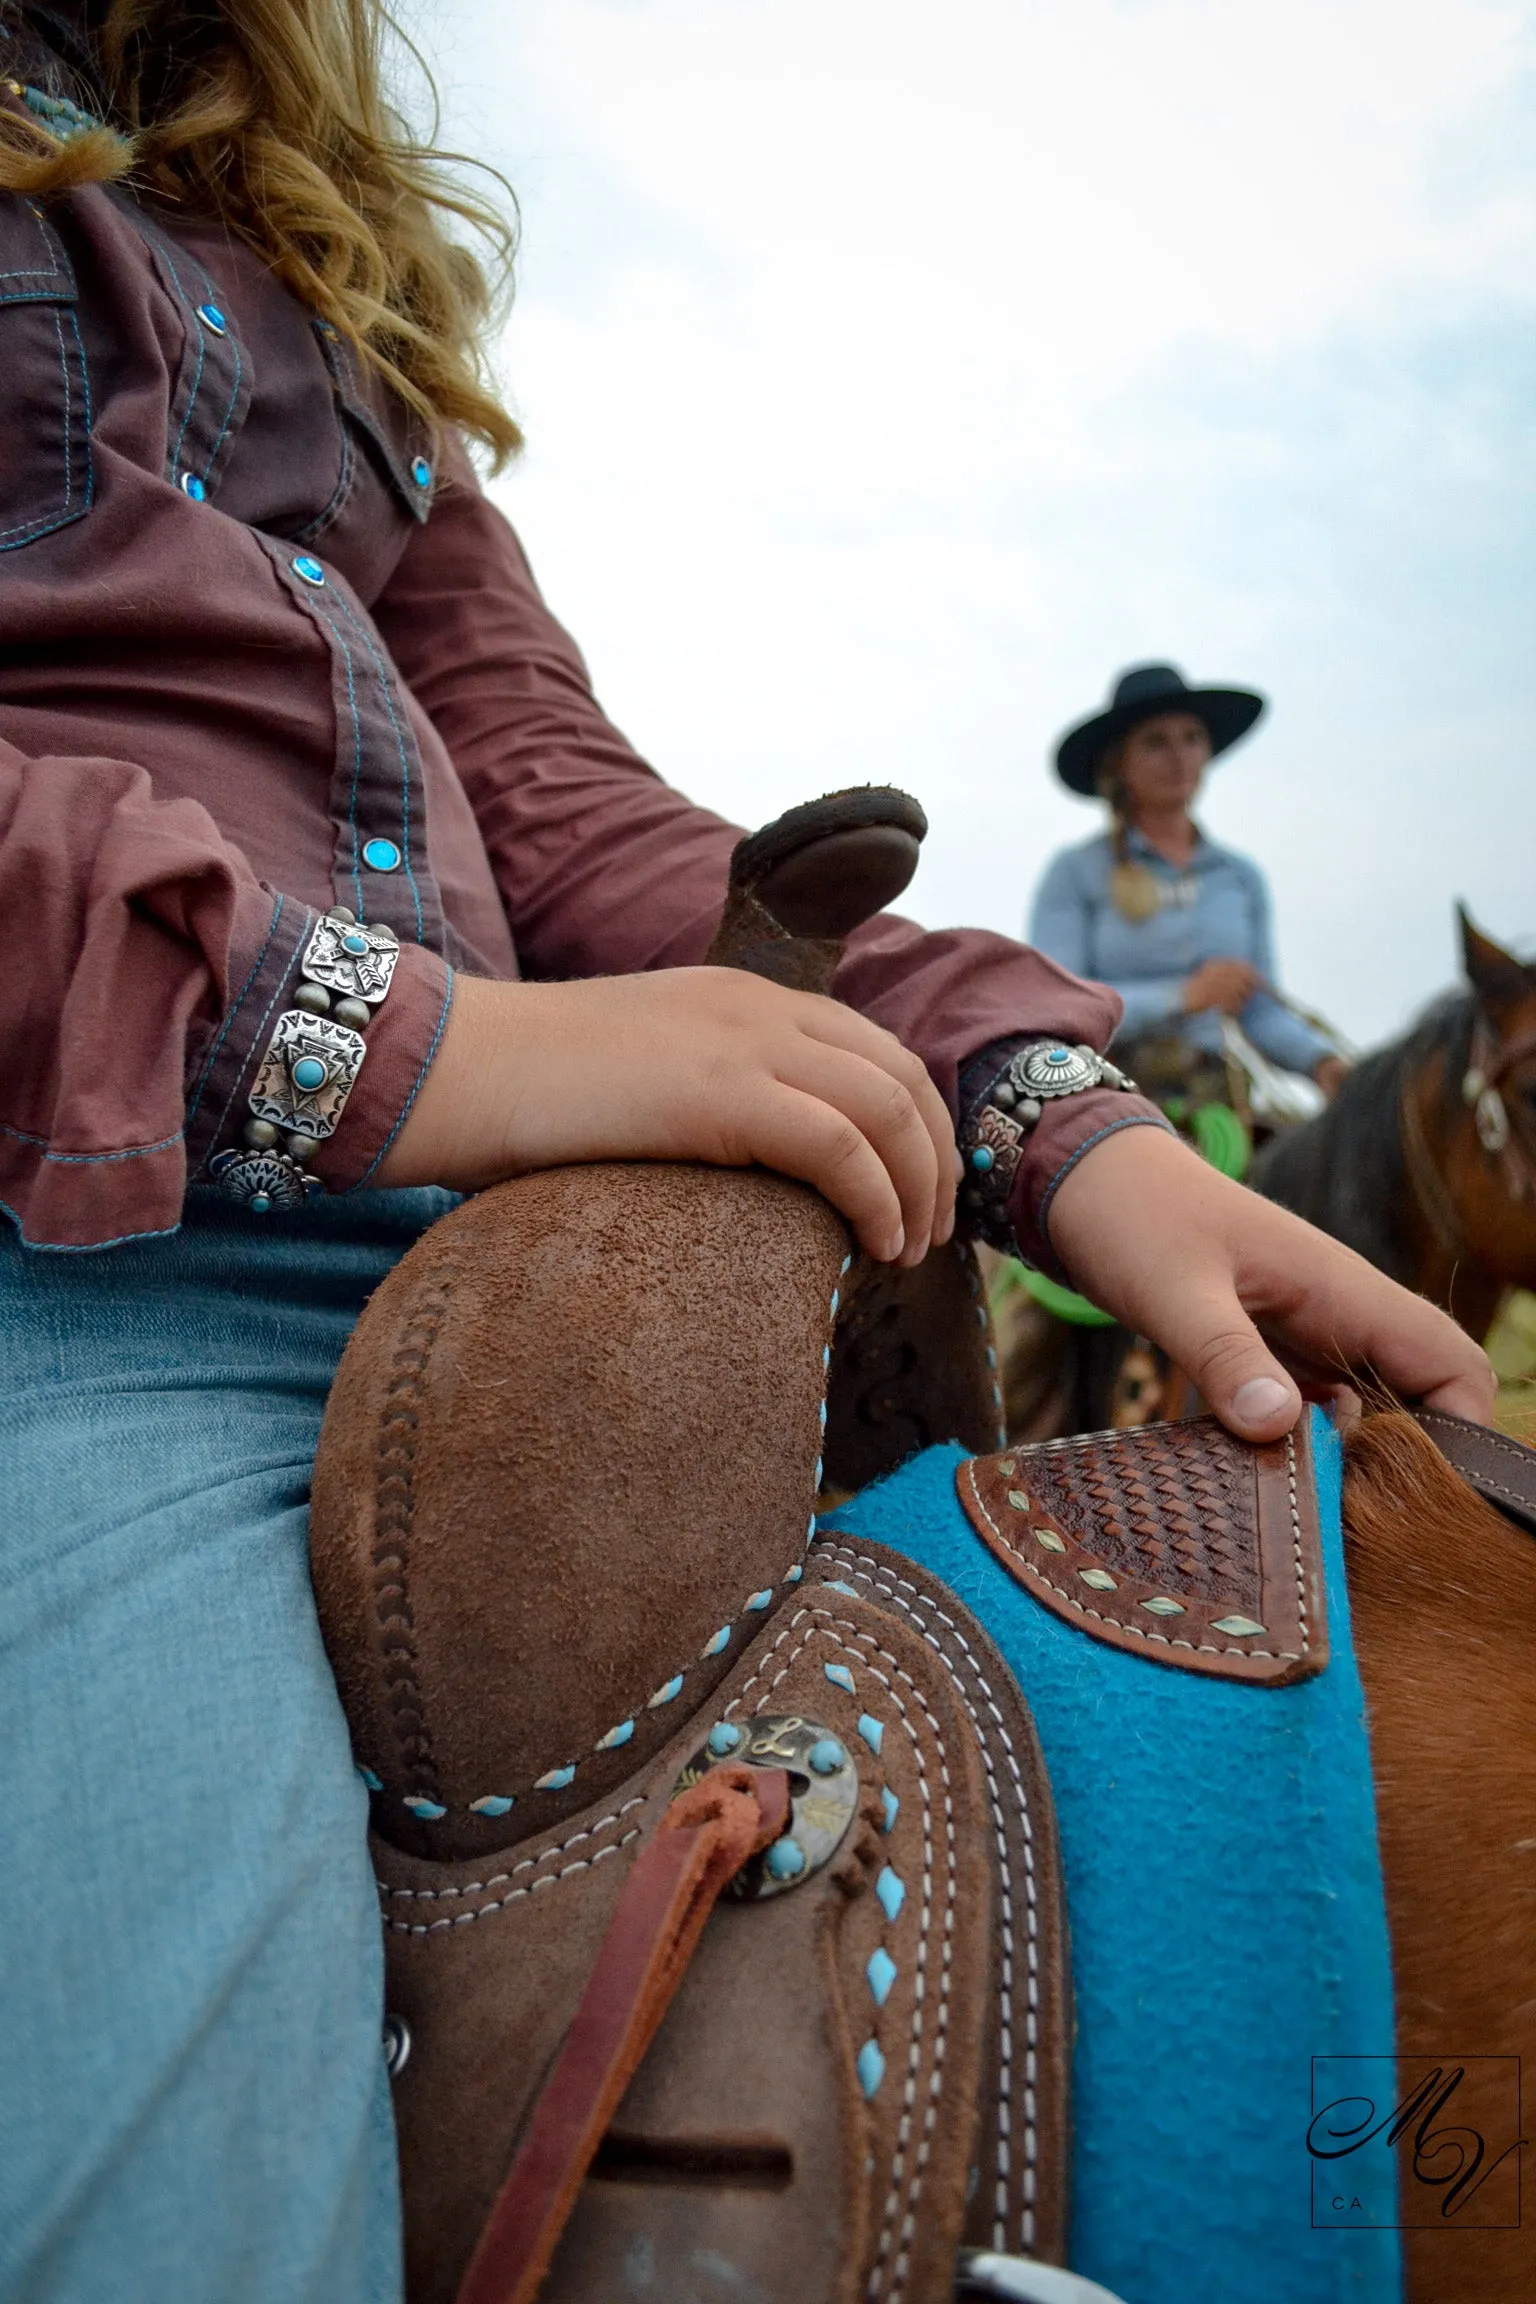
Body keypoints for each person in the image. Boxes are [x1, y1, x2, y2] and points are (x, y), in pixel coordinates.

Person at [0, 10, 1488, 2301]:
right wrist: (425, 1050)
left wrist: (1047, 1110)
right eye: (1159, 743)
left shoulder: (308, 280)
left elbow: (555, 790)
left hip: (515, 1217)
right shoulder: (1116, 869)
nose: (1177, 764)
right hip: (87, 1245)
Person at [1030, 663, 1349, 1104]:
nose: (1179, 756)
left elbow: (1260, 1011)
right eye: (1156, 742)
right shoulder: (1077, 871)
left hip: (1218, 1094)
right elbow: (1055, 1002)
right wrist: (1182, 997)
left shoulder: (1239, 877)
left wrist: (1323, 1062)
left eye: (1192, 738)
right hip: (1104, 1092)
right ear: (1119, 763)